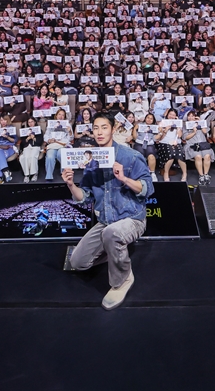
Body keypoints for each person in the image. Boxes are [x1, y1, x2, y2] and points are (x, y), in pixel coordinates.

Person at [62, 112, 154, 310]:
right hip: (106, 221)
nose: (99, 132)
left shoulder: (130, 156)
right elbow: (84, 197)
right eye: (95, 128)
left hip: (132, 218)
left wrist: (124, 179)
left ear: (113, 129)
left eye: (104, 127)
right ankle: (114, 254)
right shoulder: (90, 161)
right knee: (77, 262)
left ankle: (122, 280)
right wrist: (70, 184)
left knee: (112, 234)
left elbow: (148, 189)